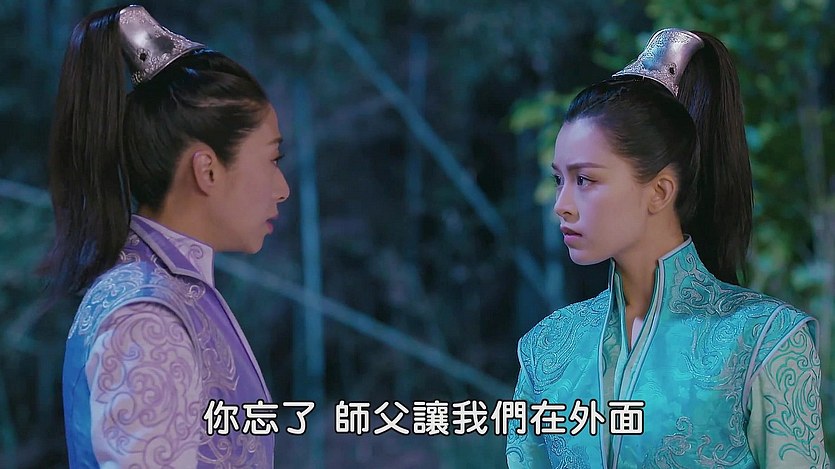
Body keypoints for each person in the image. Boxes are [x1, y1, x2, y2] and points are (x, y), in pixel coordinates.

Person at [506, 28, 829, 468]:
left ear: (659, 191)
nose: (562, 205)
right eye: (559, 180)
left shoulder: (763, 340)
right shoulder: (548, 348)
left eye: (585, 180)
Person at [44, 5, 289, 467]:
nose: (282, 189)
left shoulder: (165, 289)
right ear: (207, 169)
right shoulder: (146, 316)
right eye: (272, 160)